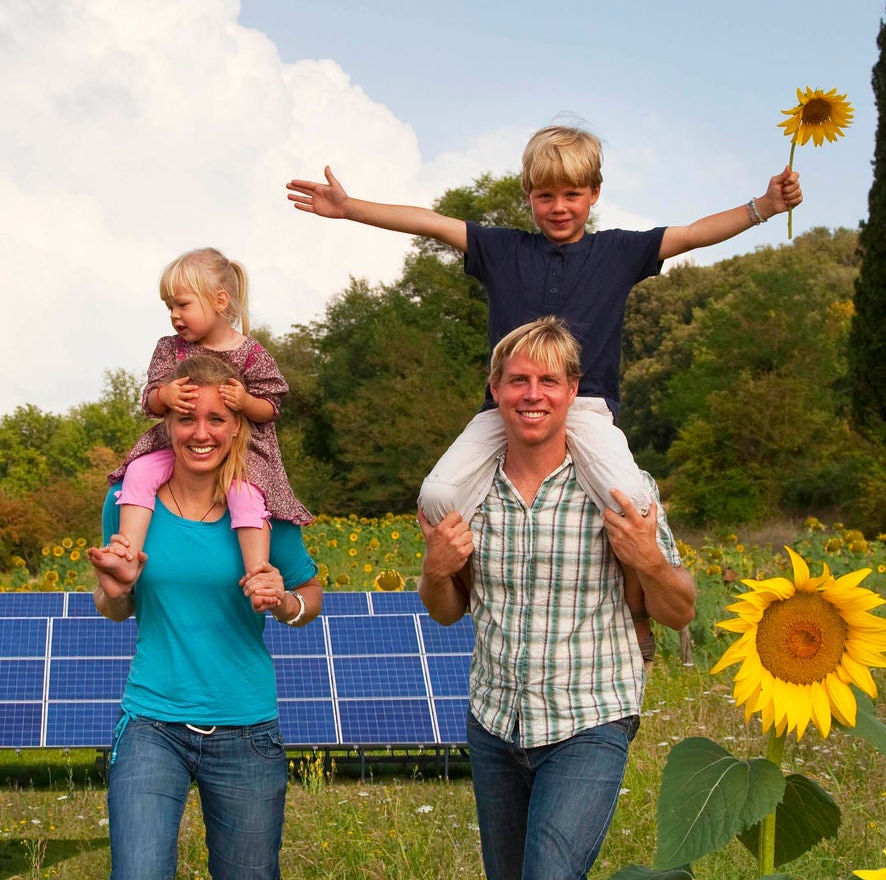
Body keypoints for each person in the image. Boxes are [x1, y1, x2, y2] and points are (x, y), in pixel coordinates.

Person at [289, 124, 794, 654]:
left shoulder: (618, 253)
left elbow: (692, 234)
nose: (559, 207)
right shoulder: (502, 250)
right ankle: (472, 592)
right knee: (437, 495)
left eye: (572, 195)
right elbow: (431, 223)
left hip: (586, 410)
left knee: (634, 500)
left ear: (594, 194)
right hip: (504, 410)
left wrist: (764, 205)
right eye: (545, 195)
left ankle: (637, 607)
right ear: (527, 196)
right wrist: (350, 207)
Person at [417, 317, 695, 880]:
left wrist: (648, 557)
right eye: (516, 382)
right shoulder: (468, 494)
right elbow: (446, 611)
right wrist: (436, 564)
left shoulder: (618, 492)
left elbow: (682, 608)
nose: (532, 395)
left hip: (591, 716)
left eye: (549, 382)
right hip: (497, 718)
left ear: (575, 394)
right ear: (496, 395)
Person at [87, 349, 325, 880]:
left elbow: (310, 590)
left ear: (236, 424)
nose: (200, 431)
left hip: (246, 730)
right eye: (185, 416)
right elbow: (114, 607)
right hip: (152, 721)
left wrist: (283, 601)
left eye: (216, 418)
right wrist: (116, 587)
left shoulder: (260, 506)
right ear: (166, 418)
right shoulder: (130, 500)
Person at [109, 247, 312, 584]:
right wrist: (166, 395)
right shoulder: (170, 349)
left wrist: (245, 401)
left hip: (243, 452)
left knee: (247, 495)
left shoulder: (251, 353)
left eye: (182, 304)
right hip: (175, 444)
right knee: (140, 471)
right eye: (169, 306)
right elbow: (150, 401)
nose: (174, 315)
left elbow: (271, 407)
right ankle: (127, 554)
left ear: (219, 300)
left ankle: (257, 573)